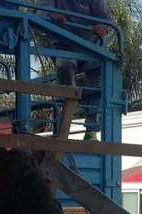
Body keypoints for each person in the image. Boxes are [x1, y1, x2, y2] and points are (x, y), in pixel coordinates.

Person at [39, 0, 112, 140]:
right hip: (65, 47)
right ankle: (68, 117)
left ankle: (91, 130)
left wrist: (103, 28)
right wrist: (51, 14)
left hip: (91, 48)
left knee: (100, 76)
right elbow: (45, 8)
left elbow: (106, 21)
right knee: (64, 66)